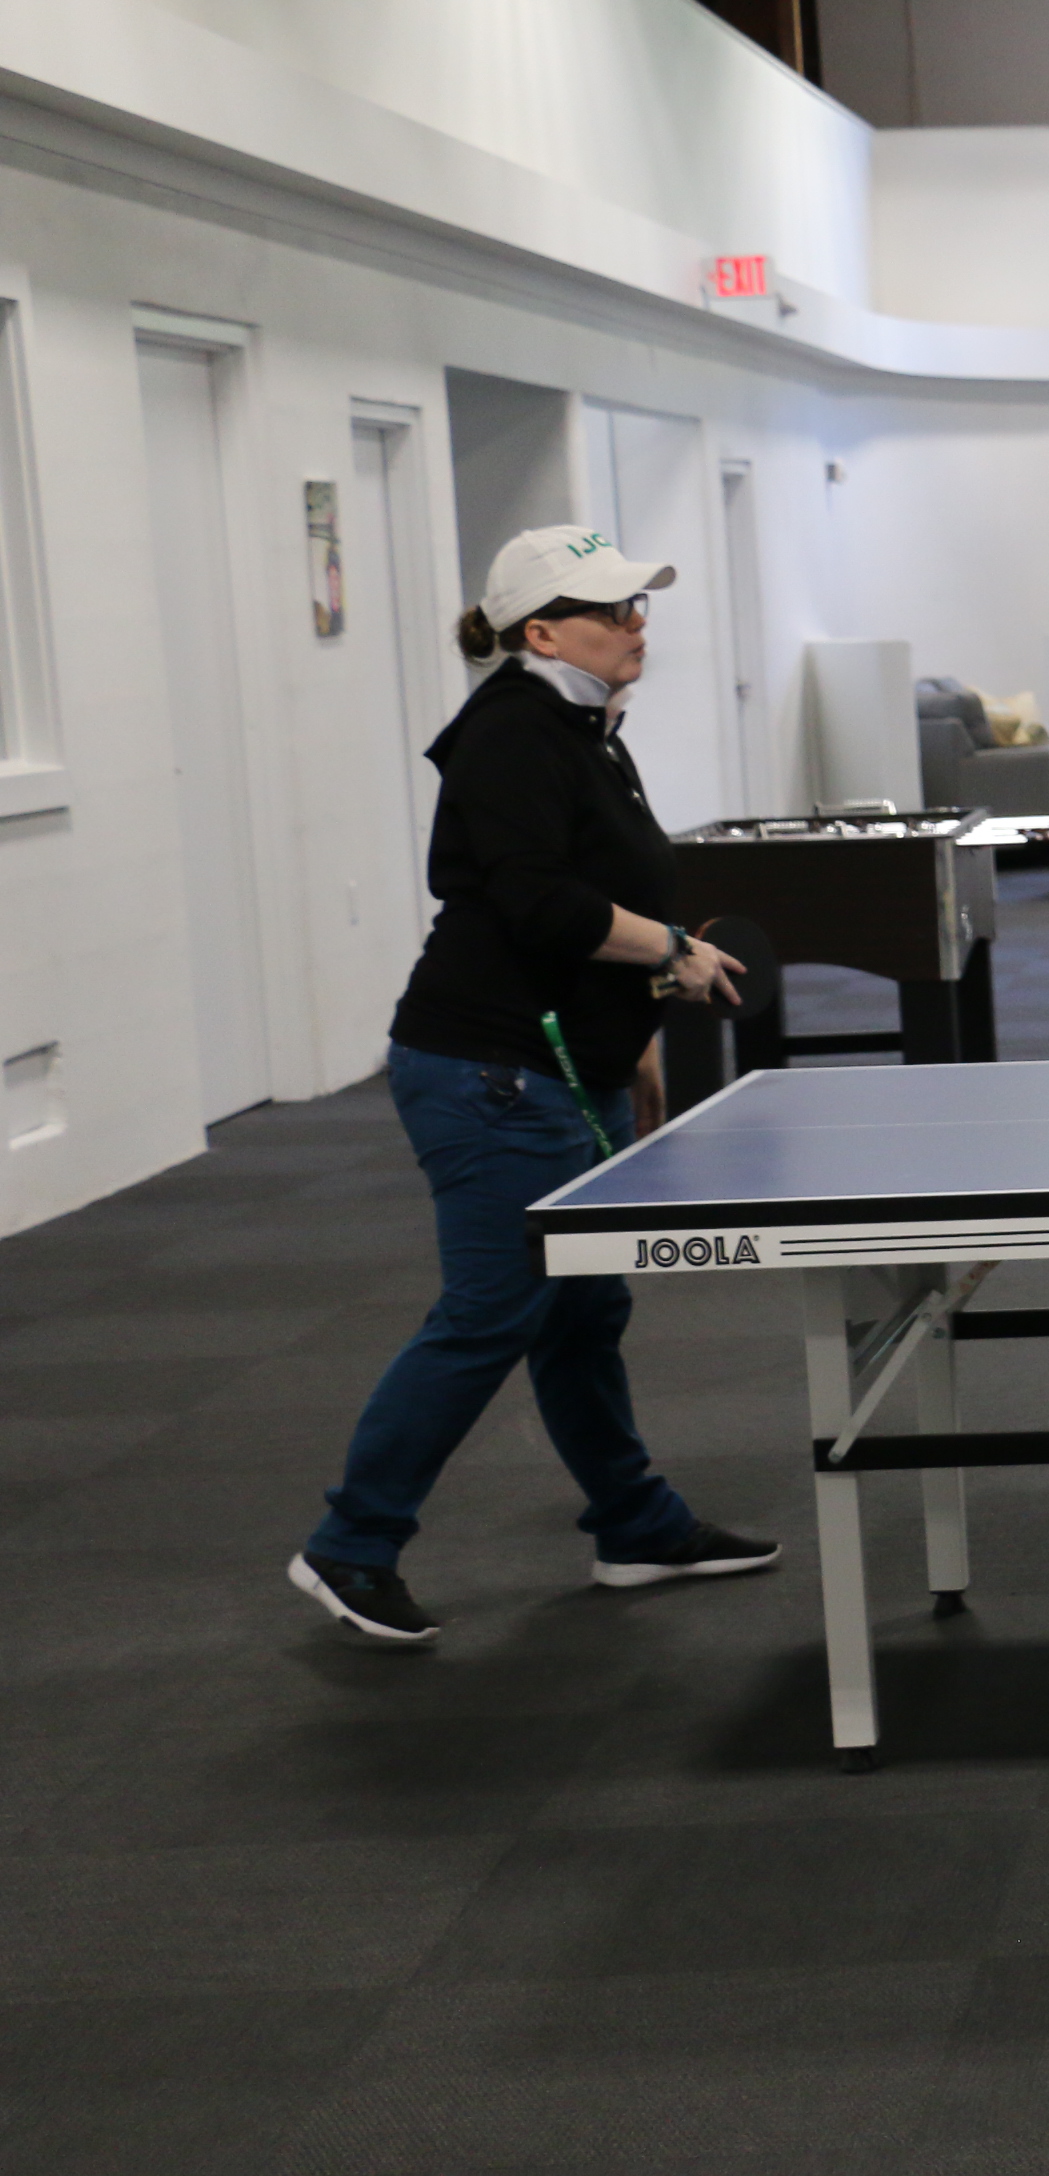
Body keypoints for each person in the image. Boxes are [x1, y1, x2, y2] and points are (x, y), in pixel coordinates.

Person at [288, 527, 779, 1645]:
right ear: (542, 632)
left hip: (564, 1063)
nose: (637, 624)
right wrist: (672, 952)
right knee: (492, 1310)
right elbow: (541, 904)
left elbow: (601, 895)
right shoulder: (509, 731)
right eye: (612, 610)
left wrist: (634, 1040)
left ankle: (635, 1525)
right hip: (487, 1071)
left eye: (640, 606)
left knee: (585, 1307)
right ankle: (351, 1543)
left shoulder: (588, 728)